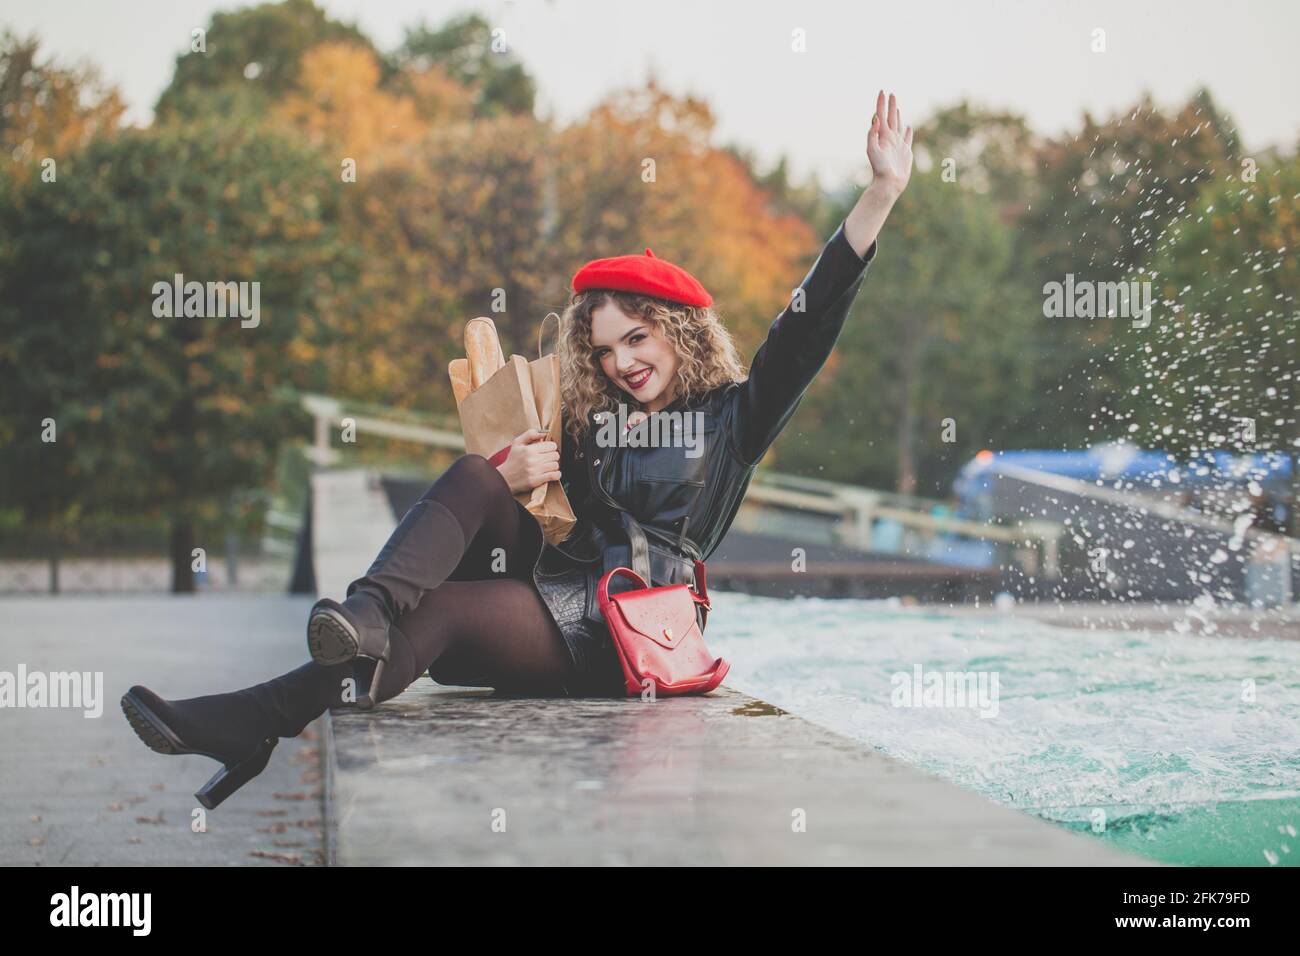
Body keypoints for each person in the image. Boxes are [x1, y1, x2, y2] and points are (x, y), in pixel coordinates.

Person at [121, 91, 914, 809]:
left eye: (635, 338)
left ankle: (253, 721)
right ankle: (363, 615)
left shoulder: (736, 417)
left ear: (677, 331)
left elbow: (803, 328)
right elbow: (539, 519)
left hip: (622, 629)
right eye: (602, 350)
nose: (620, 363)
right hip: (557, 587)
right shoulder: (595, 422)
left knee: (445, 613)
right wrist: (514, 475)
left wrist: (878, 195)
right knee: (476, 474)